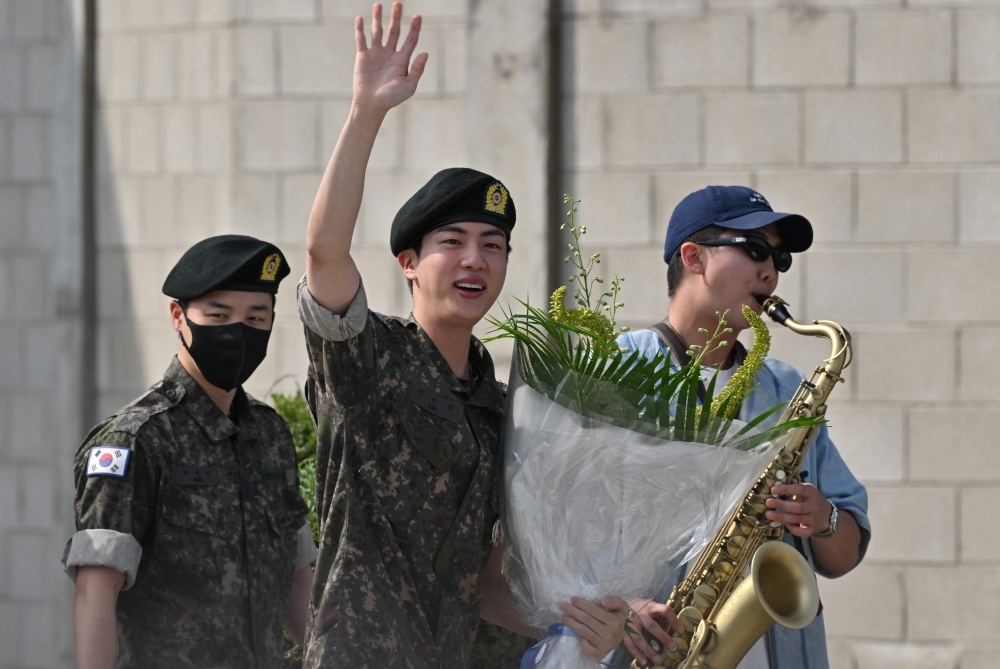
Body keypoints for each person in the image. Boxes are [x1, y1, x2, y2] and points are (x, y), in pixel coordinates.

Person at [297, 3, 628, 667]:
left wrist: (583, 616)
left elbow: (483, 583)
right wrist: (366, 112)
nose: (475, 260)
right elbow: (324, 252)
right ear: (409, 262)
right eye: (453, 242)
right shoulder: (368, 359)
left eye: (493, 245)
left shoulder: (501, 408)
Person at [616, 186, 871, 669]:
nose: (770, 272)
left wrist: (825, 520)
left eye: (779, 258)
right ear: (693, 256)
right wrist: (620, 605)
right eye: (755, 250)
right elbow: (559, 541)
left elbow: (846, 553)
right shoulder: (617, 368)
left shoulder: (786, 387)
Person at [63, 235, 316, 669]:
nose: (239, 332)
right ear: (178, 316)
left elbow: (297, 582)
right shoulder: (134, 440)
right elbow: (95, 593)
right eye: (219, 315)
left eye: (257, 318)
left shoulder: (270, 435)